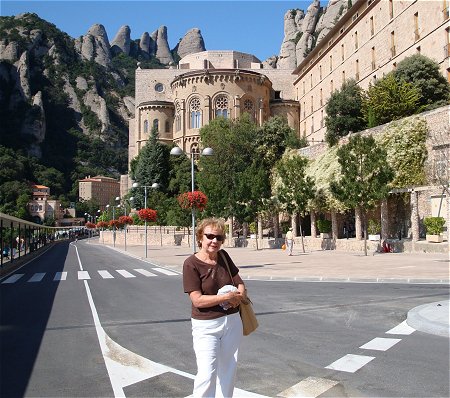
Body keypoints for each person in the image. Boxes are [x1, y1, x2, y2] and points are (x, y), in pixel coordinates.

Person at [183, 217, 246, 398]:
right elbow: (197, 300)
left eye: (219, 238)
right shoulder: (191, 264)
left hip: (232, 322)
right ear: (200, 237)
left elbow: (239, 282)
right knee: (206, 373)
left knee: (228, 369)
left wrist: (239, 297)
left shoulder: (224, 256)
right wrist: (226, 297)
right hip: (206, 326)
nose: (214, 241)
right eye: (210, 236)